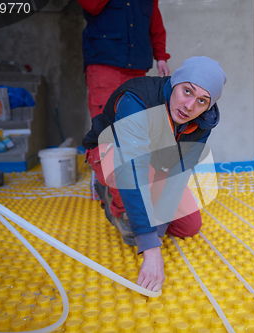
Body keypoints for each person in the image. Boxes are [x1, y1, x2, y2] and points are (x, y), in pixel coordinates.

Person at [82, 56, 227, 292]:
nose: (190, 106)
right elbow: (130, 169)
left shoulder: (202, 123)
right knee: (135, 228)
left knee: (189, 226)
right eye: (187, 91)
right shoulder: (137, 99)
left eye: (202, 100)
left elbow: (178, 176)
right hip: (113, 154)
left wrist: (157, 231)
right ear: (175, 82)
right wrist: (150, 250)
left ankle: (139, 208)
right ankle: (112, 200)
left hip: (152, 164)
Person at [78, 0, 171, 119]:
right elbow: (91, 5)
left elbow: (155, 23)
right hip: (105, 66)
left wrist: (161, 56)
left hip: (137, 70)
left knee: (135, 128)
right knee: (106, 128)